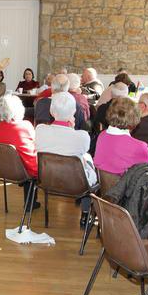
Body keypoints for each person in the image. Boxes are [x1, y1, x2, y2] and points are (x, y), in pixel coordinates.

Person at [35, 92, 96, 225]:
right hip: (76, 184)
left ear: (51, 111)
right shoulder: (82, 136)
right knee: (87, 159)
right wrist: (71, 129)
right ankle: (85, 213)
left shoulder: (40, 130)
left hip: (47, 179)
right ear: (74, 111)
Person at [0, 95, 38, 209]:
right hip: (25, 171)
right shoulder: (26, 126)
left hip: (1, 170)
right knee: (30, 161)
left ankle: (30, 202)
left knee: (24, 160)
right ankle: (30, 203)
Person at [94, 97, 148, 175]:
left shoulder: (102, 135)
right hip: (124, 182)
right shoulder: (139, 147)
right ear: (135, 119)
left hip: (101, 181)